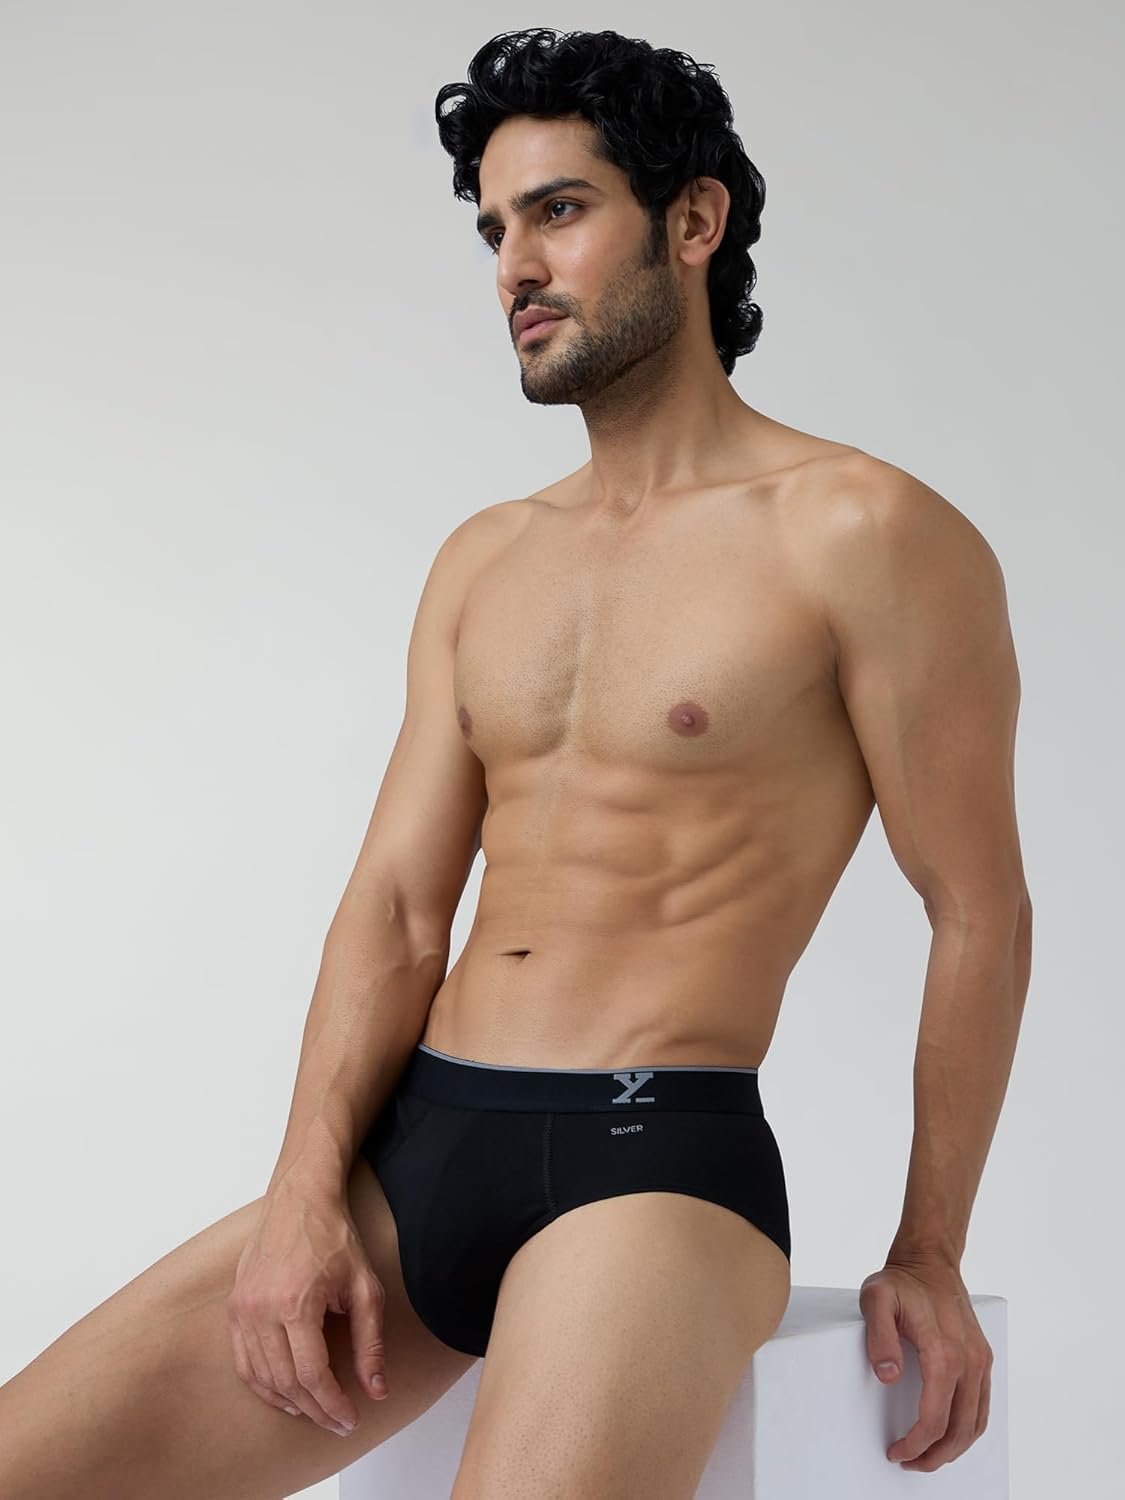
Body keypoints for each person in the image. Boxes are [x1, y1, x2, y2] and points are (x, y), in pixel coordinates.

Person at [0, 25, 1031, 1498]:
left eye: (558, 209)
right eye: (494, 230)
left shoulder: (861, 533)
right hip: (418, 1151)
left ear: (692, 221)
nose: (516, 268)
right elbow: (398, 908)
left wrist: (929, 1247)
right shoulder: (486, 559)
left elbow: (976, 907)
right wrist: (302, 1194)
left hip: (652, 1168)